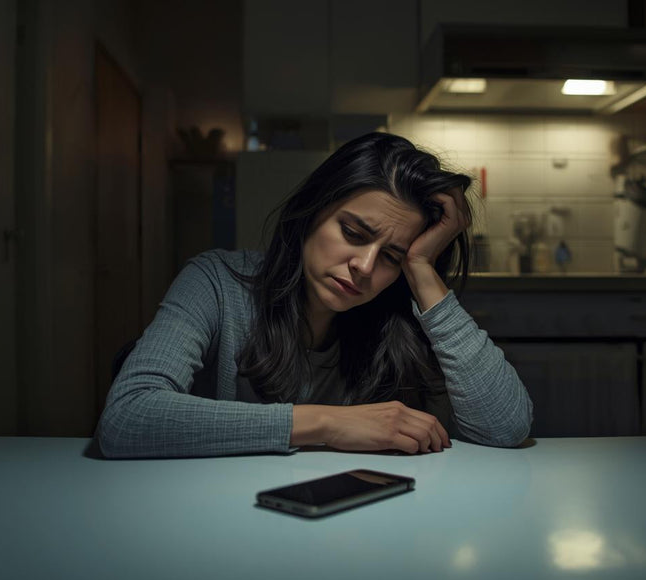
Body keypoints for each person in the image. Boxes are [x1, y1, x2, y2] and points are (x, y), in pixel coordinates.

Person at [96, 132, 532, 458]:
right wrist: (326, 422)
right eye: (352, 232)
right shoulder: (216, 282)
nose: (364, 266)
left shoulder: (395, 315)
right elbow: (128, 416)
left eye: (391, 257)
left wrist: (421, 271)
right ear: (312, 211)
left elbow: (507, 427)